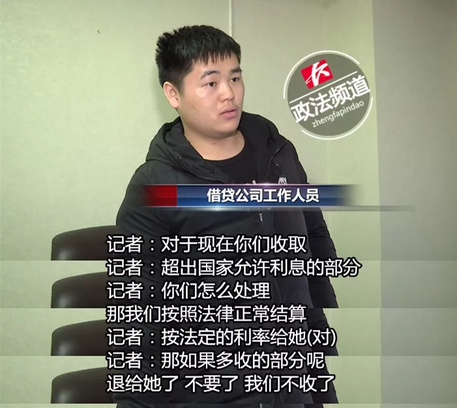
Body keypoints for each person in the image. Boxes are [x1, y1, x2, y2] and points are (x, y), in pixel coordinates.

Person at [113, 25, 339, 408]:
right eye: (210, 82)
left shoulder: (278, 153)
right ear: (173, 94)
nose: (228, 93)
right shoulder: (155, 185)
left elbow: (314, 247)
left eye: (235, 77)